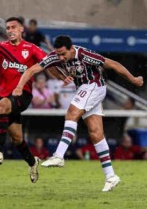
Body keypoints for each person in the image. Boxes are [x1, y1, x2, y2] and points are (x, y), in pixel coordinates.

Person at [12, 35, 144, 191]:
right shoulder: (56, 56)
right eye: (58, 54)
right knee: (96, 133)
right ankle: (111, 176)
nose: (61, 58)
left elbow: (112, 64)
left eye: (63, 54)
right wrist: (20, 86)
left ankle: (59, 155)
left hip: (94, 86)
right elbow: (35, 68)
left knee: (71, 114)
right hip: (84, 90)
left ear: (71, 48)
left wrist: (133, 79)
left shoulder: (84, 54)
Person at [0, 17, 46, 183]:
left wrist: (63, 76)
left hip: (23, 94)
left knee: (1, 107)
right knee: (17, 139)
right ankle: (33, 162)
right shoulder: (1, 47)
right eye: (8, 28)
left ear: (21, 29)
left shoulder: (31, 48)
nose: (10, 30)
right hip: (5, 95)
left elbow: (48, 62)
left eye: (13, 27)